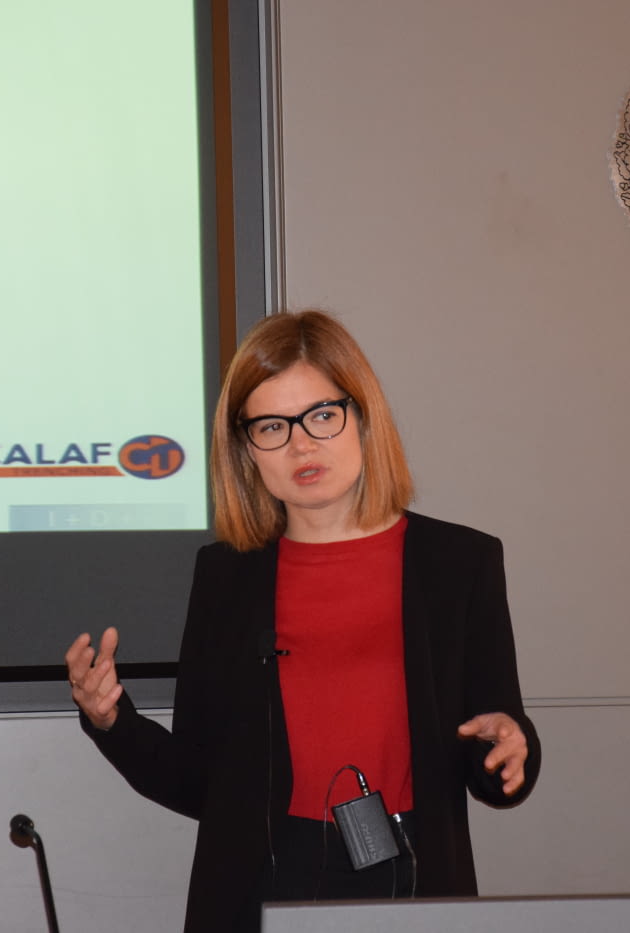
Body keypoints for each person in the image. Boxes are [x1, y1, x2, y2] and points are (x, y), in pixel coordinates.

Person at [65, 309, 541, 932]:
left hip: (410, 874)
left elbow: (496, 752)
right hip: (262, 883)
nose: (300, 444)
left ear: (363, 418)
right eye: (271, 426)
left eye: (321, 415)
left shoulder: (460, 563)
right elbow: (198, 784)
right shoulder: (226, 578)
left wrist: (510, 742)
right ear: (245, 450)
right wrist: (110, 721)